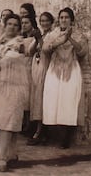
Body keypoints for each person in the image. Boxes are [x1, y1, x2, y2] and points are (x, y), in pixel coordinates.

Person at [0, 13, 30, 172]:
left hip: (15, 85)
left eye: (15, 25)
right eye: (9, 24)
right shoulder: (1, 38)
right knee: (8, 121)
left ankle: (2, 157)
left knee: (9, 121)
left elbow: (8, 60)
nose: (12, 27)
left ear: (19, 28)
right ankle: (12, 153)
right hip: (0, 85)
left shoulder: (19, 42)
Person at [42, 7, 89, 149]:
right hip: (55, 70)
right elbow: (45, 49)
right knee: (53, 100)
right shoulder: (53, 34)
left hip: (71, 69)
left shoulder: (79, 35)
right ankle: (54, 135)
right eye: (61, 17)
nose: (63, 20)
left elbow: (82, 52)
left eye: (66, 17)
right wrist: (61, 40)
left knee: (69, 101)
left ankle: (66, 137)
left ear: (72, 20)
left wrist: (70, 38)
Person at [27, 12, 54, 145]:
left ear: (51, 22)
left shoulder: (52, 35)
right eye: (42, 21)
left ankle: (40, 132)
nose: (44, 23)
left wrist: (40, 40)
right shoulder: (40, 34)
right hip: (36, 68)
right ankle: (38, 129)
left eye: (47, 21)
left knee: (42, 99)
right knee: (36, 98)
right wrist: (37, 39)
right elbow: (30, 51)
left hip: (45, 66)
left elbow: (47, 50)